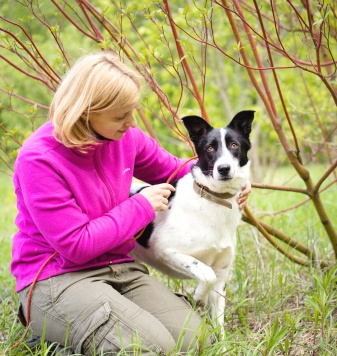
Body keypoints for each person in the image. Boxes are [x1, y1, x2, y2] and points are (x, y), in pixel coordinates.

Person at [11, 51, 251, 355]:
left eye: (132, 111)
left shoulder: (126, 138)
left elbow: (180, 169)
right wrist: (141, 206)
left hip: (118, 268)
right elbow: (76, 245)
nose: (131, 122)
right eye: (120, 115)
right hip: (58, 278)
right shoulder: (39, 160)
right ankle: (50, 336)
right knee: (148, 347)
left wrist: (232, 177)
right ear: (85, 111)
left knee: (196, 340)